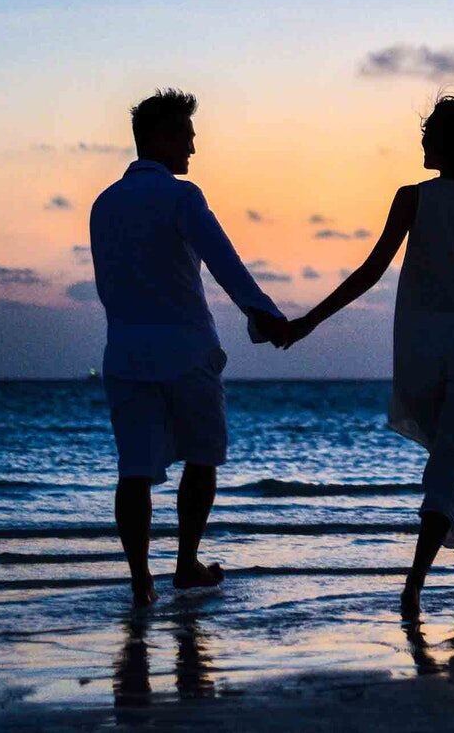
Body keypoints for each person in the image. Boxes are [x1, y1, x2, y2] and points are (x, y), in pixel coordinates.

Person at [285, 95, 454, 617]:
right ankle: (414, 586)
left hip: (421, 356)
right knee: (449, 470)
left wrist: (309, 321)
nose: (421, 141)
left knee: (451, 465)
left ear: (450, 143)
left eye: (429, 133)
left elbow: (370, 272)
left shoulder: (412, 198)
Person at [90, 88, 289, 607]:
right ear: (160, 137)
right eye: (187, 137)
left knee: (134, 470)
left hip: (126, 353)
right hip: (185, 350)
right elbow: (224, 262)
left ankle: (140, 581)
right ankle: (185, 564)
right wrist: (264, 316)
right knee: (201, 458)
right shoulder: (183, 197)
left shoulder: (103, 204)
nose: (193, 150)